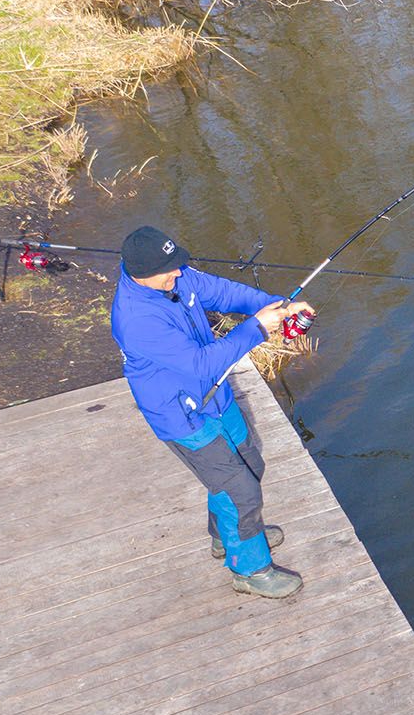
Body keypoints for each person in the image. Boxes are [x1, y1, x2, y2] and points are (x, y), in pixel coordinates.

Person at [109, 225, 315, 599]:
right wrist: (257, 329)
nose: (179, 273)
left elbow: (222, 290)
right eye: (169, 269)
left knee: (250, 463)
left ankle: (230, 536)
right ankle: (250, 570)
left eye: (178, 264)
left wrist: (276, 305)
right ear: (142, 275)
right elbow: (200, 364)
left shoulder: (174, 278)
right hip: (182, 416)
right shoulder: (137, 319)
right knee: (241, 491)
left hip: (214, 396)